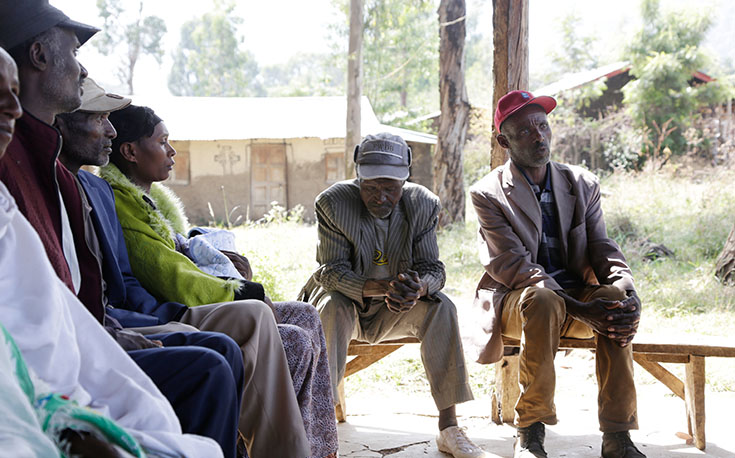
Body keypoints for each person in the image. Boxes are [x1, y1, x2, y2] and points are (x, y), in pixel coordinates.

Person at [0, 2, 244, 456]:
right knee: (212, 364)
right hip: (46, 368)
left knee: (219, 354)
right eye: (73, 52)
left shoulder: (61, 175)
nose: (83, 67)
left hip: (87, 341)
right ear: (39, 56)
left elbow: (72, 302)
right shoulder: (14, 171)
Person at [56, 78, 317, 458]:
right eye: (99, 118)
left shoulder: (99, 191)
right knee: (233, 343)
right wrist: (224, 291)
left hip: (134, 310)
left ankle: (292, 449)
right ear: (61, 124)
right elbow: (157, 271)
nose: (109, 129)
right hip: (131, 313)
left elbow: (133, 273)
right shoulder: (105, 192)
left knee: (270, 320)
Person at [469, 90, 645, 458]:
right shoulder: (488, 193)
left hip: (577, 300)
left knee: (613, 301)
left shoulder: (581, 183)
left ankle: (618, 436)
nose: (539, 136)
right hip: (520, 305)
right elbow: (517, 268)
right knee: (543, 296)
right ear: (504, 141)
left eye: (543, 126)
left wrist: (627, 289)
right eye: (525, 131)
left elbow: (602, 247)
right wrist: (579, 310)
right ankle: (530, 431)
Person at [300, 133, 486, 458]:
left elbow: (434, 269)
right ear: (358, 177)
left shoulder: (423, 204)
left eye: (390, 188)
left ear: (405, 180)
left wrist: (419, 288)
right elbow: (330, 272)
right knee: (333, 305)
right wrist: (381, 288)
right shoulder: (333, 203)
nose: (380, 197)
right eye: (370, 187)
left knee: (441, 306)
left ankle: (449, 428)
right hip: (348, 307)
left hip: (395, 309)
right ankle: (321, 427)